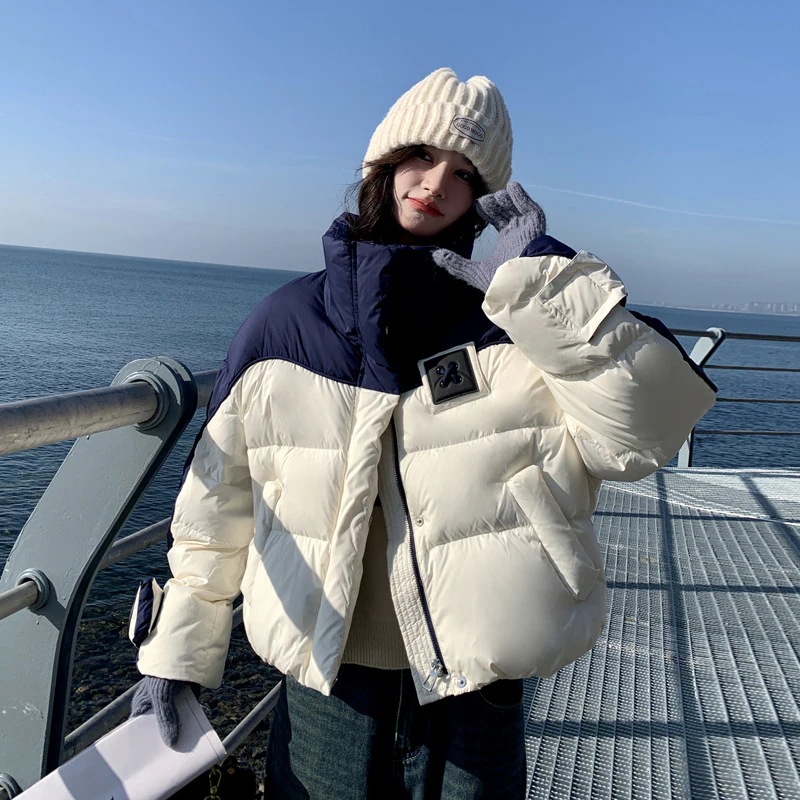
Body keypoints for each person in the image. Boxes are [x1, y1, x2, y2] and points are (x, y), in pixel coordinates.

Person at [130, 68, 716, 798]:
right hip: (328, 684)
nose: (436, 182)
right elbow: (218, 502)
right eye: (420, 155)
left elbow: (646, 433)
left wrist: (541, 283)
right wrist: (176, 654)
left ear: (486, 199)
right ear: (382, 165)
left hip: (479, 682)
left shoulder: (523, 323)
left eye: (465, 173)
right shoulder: (283, 324)